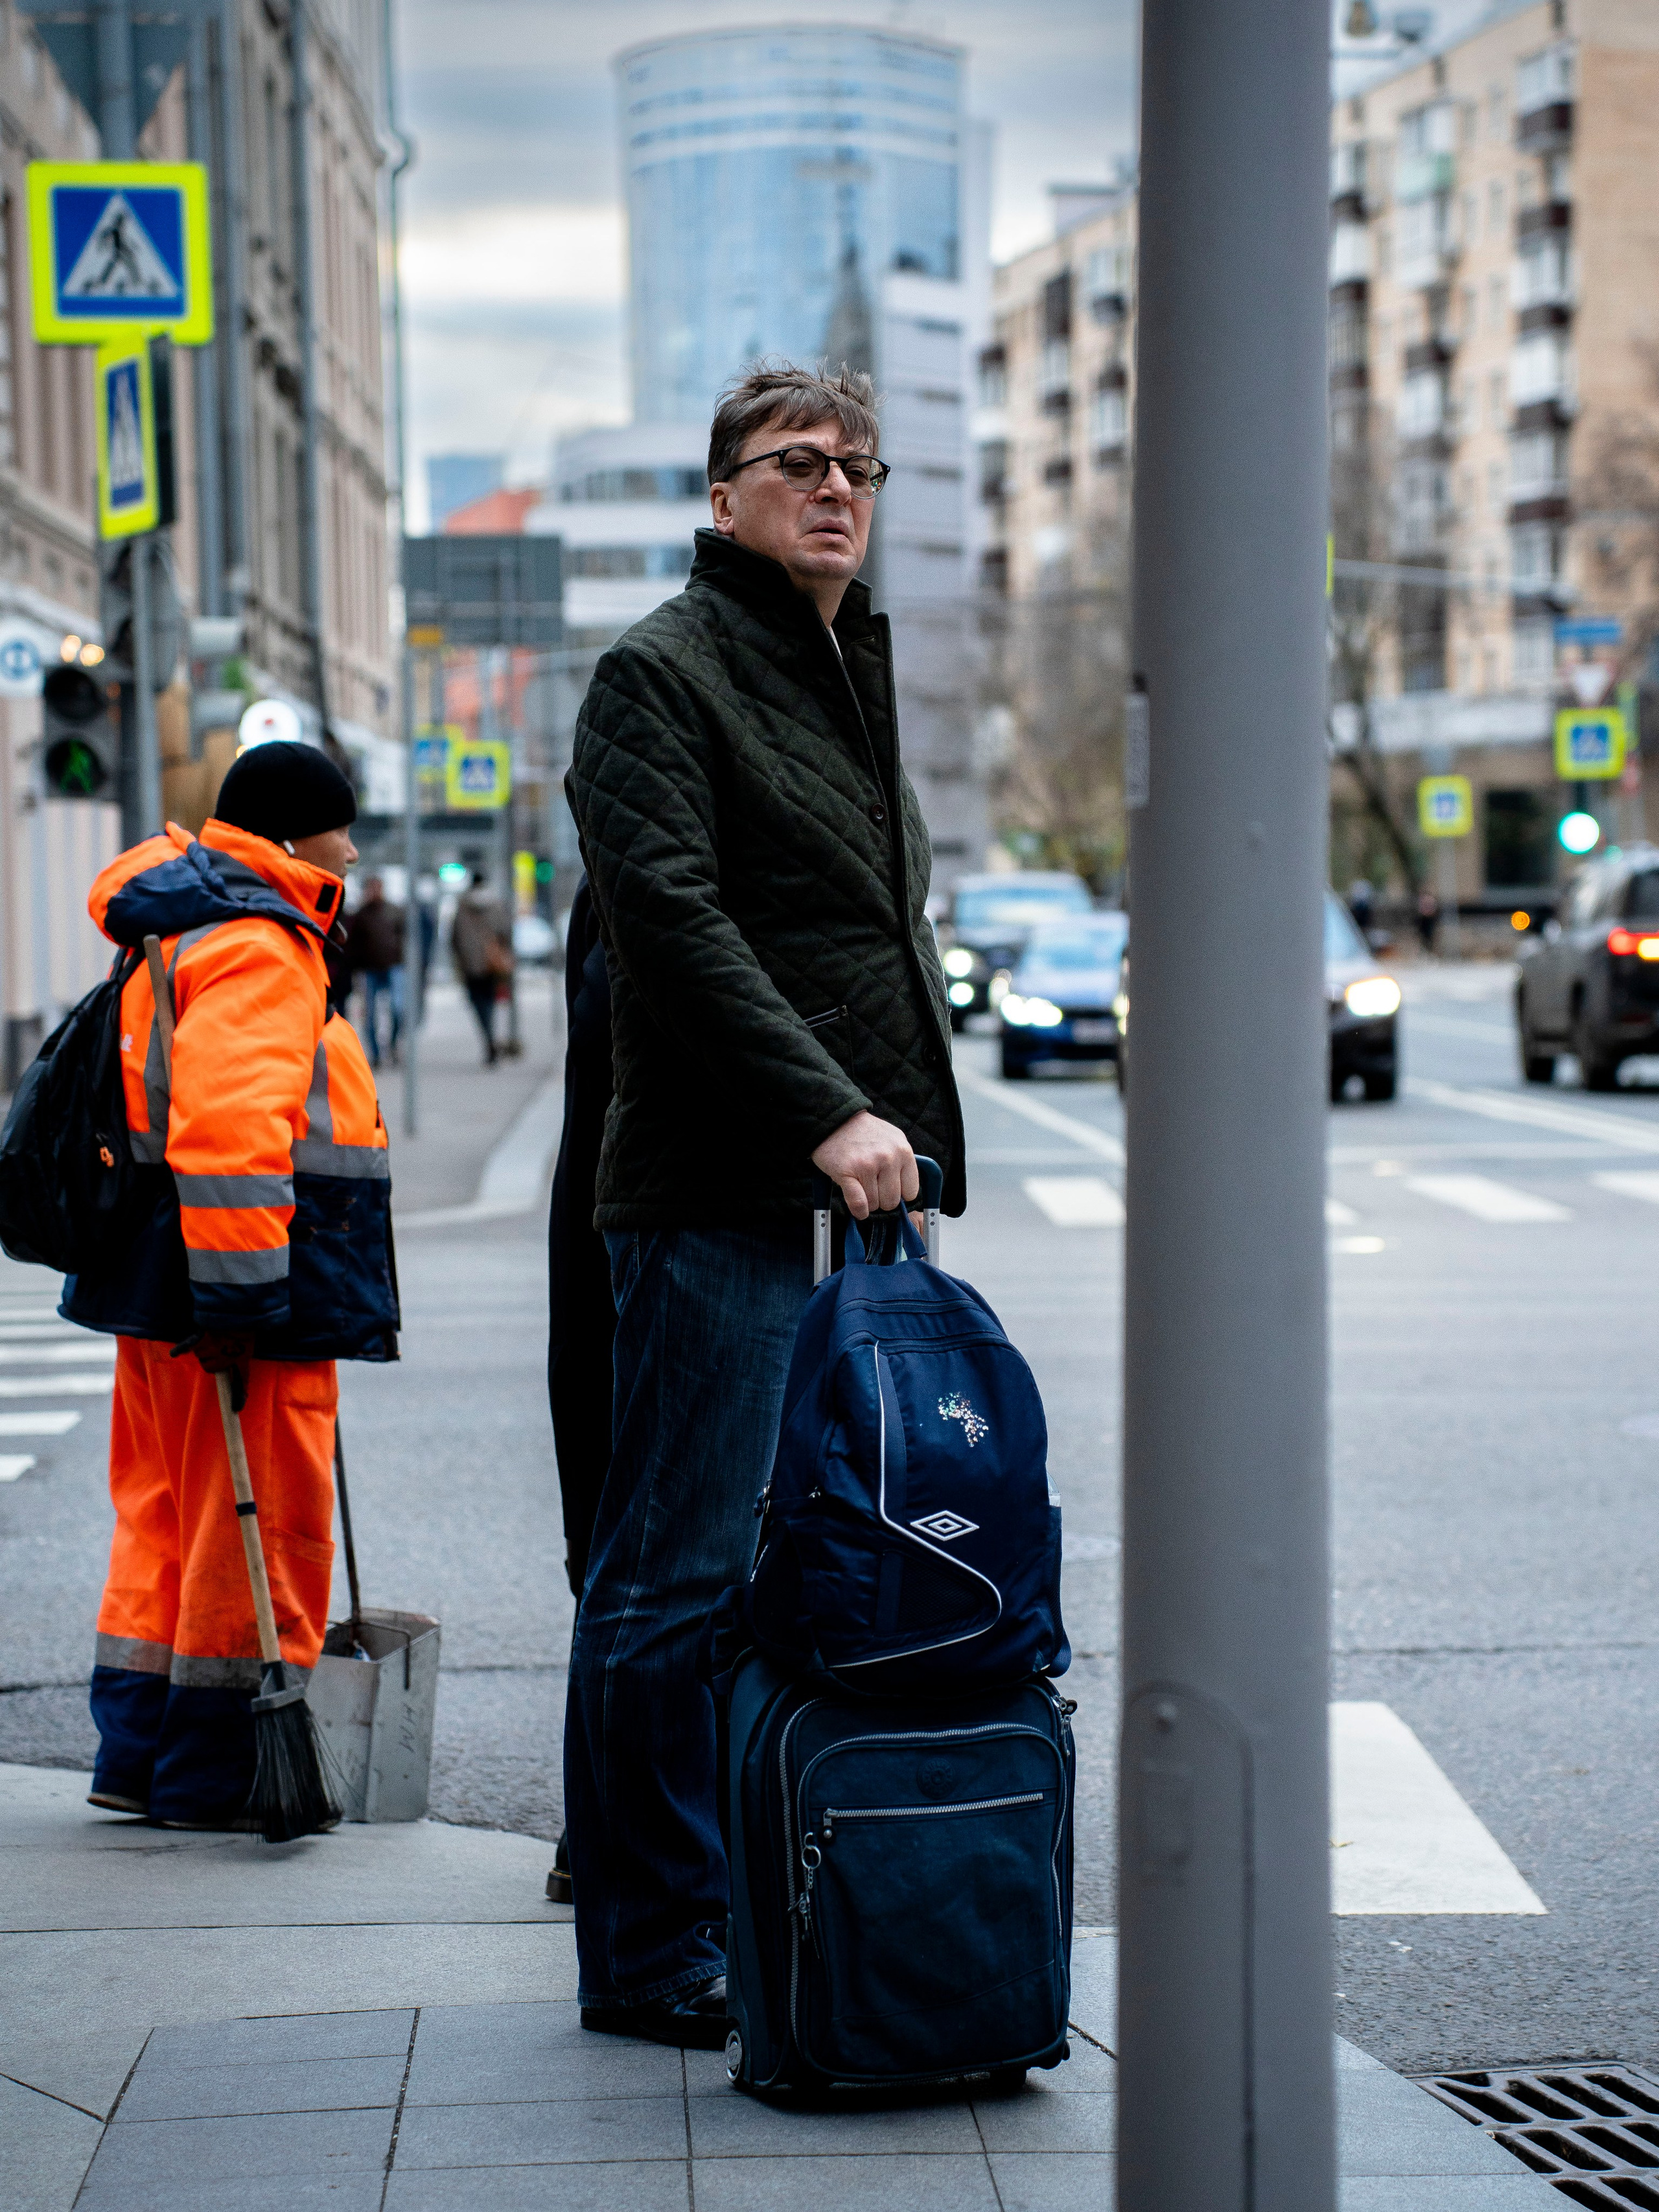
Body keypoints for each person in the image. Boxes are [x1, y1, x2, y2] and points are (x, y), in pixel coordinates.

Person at [563, 362, 964, 2047]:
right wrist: (833, 1114)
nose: (837, 487)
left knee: (795, 1567)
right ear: (719, 497)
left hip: (844, 1195)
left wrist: (898, 1137)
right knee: (675, 1570)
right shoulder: (660, 670)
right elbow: (673, 919)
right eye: (797, 462)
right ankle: (649, 1942)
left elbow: (860, 929)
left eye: (860, 465)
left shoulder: (844, 668)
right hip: (725, 1189)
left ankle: (738, 1883)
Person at [67, 739, 400, 1830]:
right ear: (298, 835)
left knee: (166, 1517)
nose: (353, 845)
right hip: (243, 1291)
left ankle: (141, 1749)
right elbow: (232, 1132)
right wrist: (243, 1301)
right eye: (342, 825)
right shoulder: (260, 942)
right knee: (259, 1526)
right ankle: (217, 1772)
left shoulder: (186, 926)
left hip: (167, 1277)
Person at [543, 874, 615, 1906]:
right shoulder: (642, 882)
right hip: (634, 1225)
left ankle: (594, 1833)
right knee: (643, 1558)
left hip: (607, 1223)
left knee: (617, 1544)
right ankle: (603, 1835)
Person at [450, 868, 513, 1065]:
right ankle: (491, 1037)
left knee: (478, 1004)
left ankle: (488, 1038)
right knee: (490, 1003)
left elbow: (454, 937)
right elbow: (505, 932)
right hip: (492, 963)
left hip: (470, 965)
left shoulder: (462, 905)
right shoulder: (496, 904)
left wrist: (460, 958)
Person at [344, 874, 406, 1069]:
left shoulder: (394, 911)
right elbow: (352, 943)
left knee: (398, 1009)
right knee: (370, 1014)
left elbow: (404, 936)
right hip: (368, 968)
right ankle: (376, 1053)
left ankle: (393, 1044)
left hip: (393, 965)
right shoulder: (361, 914)